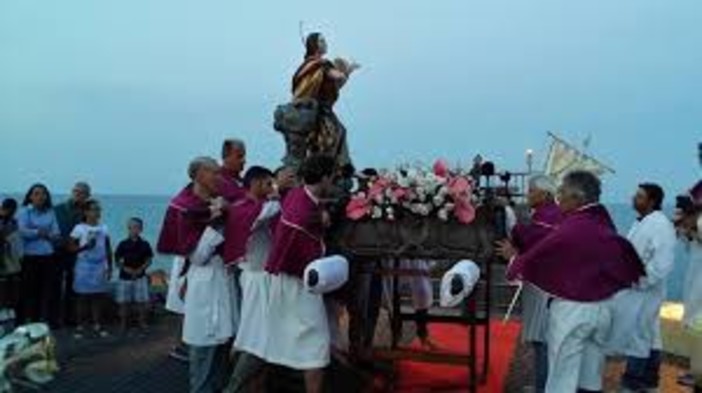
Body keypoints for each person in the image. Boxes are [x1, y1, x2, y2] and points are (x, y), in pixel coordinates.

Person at [497, 170, 645, 393]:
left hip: (573, 313)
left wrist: (514, 259)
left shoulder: (573, 228)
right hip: (604, 310)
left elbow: (542, 259)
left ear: (577, 197)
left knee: (561, 378)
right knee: (590, 376)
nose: (558, 197)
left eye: (562, 192)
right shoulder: (604, 224)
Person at [157, 156, 236, 393]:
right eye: (214, 173)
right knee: (203, 356)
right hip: (203, 282)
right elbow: (197, 256)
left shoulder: (218, 202)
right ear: (199, 174)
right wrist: (217, 224)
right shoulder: (184, 206)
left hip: (223, 280)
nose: (219, 178)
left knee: (222, 354)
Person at [263, 154, 336, 393]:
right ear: (324, 177)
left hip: (289, 282)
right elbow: (303, 243)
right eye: (332, 178)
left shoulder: (299, 195)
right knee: (317, 345)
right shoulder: (302, 214)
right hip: (297, 284)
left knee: (278, 341)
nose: (334, 183)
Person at [223, 166, 287, 392]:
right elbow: (270, 210)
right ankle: (233, 388)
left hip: (261, 280)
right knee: (257, 339)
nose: (271, 188)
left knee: (257, 337)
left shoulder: (250, 207)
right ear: (258, 183)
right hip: (256, 281)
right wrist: (280, 190)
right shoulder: (245, 209)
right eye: (268, 183)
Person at [618, 183, 676, 393]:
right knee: (650, 336)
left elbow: (662, 264)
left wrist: (638, 280)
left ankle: (632, 383)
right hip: (636, 291)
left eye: (639, 196)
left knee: (640, 338)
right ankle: (649, 383)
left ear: (651, 201)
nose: (634, 198)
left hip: (645, 291)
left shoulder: (660, 225)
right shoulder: (642, 222)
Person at [509, 174, 562, 393]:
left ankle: (544, 388)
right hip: (546, 284)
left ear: (545, 194)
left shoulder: (549, 216)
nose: (528, 194)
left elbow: (531, 239)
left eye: (531, 190)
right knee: (543, 342)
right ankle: (544, 385)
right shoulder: (548, 213)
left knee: (543, 343)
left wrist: (512, 226)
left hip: (545, 287)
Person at [290, 33, 359, 170]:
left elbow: (336, 85)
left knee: (337, 133)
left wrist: (346, 73)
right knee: (331, 136)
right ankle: (334, 167)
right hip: (318, 111)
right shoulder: (320, 64)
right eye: (321, 41)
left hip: (321, 110)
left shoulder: (314, 65)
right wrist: (347, 69)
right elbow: (337, 76)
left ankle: (338, 167)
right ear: (314, 45)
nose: (325, 43)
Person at [17, 183, 61, 327]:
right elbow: (22, 231)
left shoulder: (50, 212)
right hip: (30, 257)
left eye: (43, 193)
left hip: (48, 256)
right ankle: (23, 322)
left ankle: (42, 322)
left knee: (47, 290)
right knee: (28, 291)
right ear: (30, 196)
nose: (40, 196)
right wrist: (39, 232)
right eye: (36, 193)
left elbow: (56, 234)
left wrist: (37, 231)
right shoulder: (24, 211)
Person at [69, 199, 112, 338]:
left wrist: (110, 266)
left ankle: (97, 324)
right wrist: (85, 247)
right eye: (93, 209)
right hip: (84, 266)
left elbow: (107, 248)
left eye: (98, 209)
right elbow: (70, 247)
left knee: (97, 296)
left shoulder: (104, 228)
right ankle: (80, 325)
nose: (96, 212)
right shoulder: (79, 228)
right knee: (82, 297)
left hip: (99, 266)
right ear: (86, 212)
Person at [675, 180, 702, 393]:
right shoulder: (697, 188)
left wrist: (693, 225)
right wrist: (685, 226)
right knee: (696, 326)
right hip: (697, 270)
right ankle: (697, 372)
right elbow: (691, 237)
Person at [55, 181, 92, 327]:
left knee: (74, 287)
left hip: (78, 254)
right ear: (72, 191)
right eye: (76, 191)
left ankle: (70, 318)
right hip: (58, 252)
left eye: (83, 192)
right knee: (55, 286)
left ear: (87, 196)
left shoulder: (87, 212)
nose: (79, 194)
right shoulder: (58, 209)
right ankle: (54, 318)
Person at [114, 217, 154, 333]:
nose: (134, 229)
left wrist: (140, 270)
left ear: (141, 229)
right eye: (132, 227)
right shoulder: (122, 244)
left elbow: (149, 259)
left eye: (137, 227)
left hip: (140, 276)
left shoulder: (145, 244)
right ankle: (123, 324)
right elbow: (117, 260)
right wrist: (127, 270)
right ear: (128, 228)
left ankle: (142, 323)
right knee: (123, 302)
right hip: (124, 277)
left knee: (141, 302)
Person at [0, 198, 22, 320]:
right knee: (5, 287)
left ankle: (8, 311)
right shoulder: (9, 221)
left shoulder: (12, 221)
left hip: (10, 258)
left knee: (10, 286)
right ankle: (6, 311)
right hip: (5, 258)